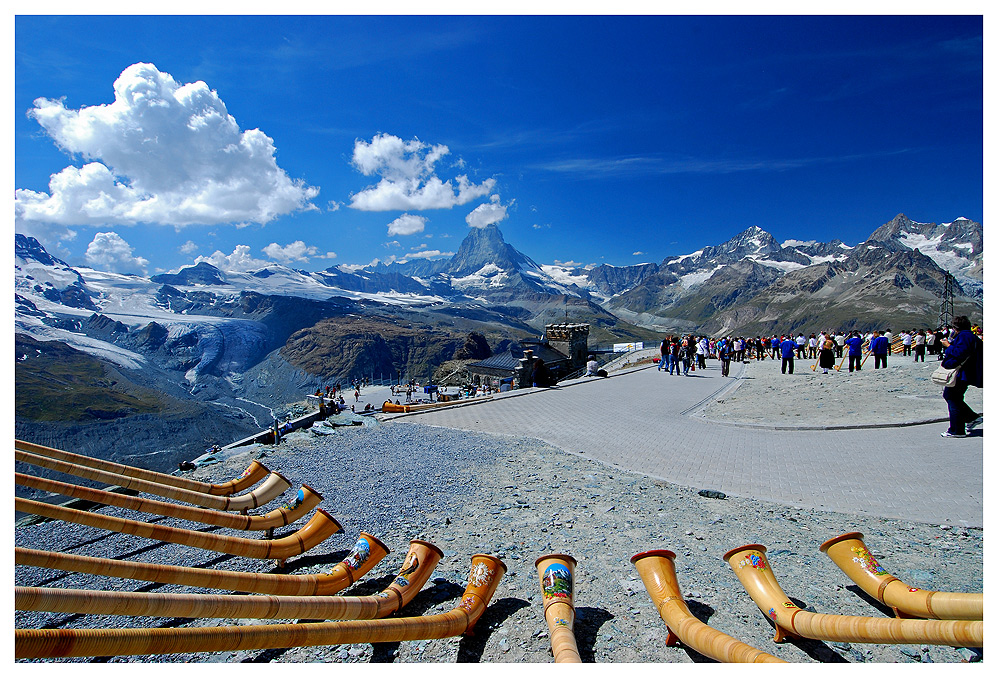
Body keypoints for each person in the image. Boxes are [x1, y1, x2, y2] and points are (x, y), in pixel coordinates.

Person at [938, 316, 983, 438]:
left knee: (951, 397)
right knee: (955, 397)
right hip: (966, 373)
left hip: (961, 373)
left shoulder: (964, 337)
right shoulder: (972, 337)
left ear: (955, 328)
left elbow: (959, 353)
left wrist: (948, 346)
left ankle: (957, 430)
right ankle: (971, 418)